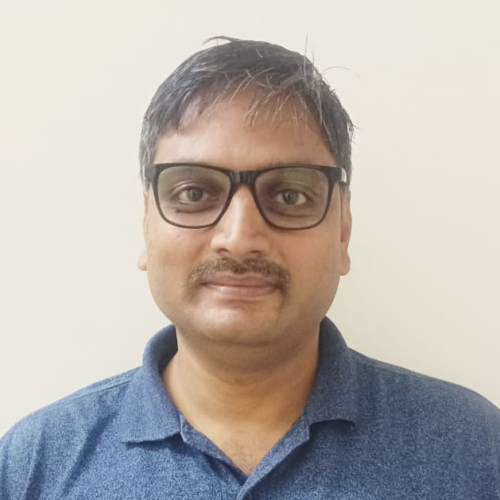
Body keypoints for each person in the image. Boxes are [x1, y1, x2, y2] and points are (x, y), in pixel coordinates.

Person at [1, 37, 499, 500]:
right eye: (194, 192)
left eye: (290, 195)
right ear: (147, 223)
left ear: (343, 230)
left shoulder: (475, 451)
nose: (239, 237)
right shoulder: (33, 467)